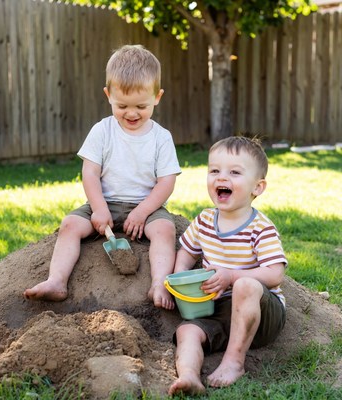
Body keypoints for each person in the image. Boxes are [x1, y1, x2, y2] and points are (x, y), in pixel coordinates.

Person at [23, 44, 181, 310]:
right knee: (70, 225)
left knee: (165, 230)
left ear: (157, 97)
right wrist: (98, 208)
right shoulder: (102, 131)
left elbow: (166, 182)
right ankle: (56, 281)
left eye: (141, 106)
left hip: (146, 206)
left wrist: (143, 212)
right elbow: (90, 172)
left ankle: (159, 283)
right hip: (104, 202)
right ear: (108, 95)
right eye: (122, 105)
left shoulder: (160, 137)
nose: (131, 113)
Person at [168, 136, 287, 395]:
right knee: (187, 330)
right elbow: (187, 252)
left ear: (258, 187)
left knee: (245, 284)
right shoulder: (205, 220)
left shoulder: (260, 228)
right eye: (214, 170)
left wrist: (232, 276)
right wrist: (179, 277)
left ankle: (234, 361)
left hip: (263, 314)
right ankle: (189, 376)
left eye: (234, 172)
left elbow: (275, 273)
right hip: (218, 309)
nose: (222, 177)